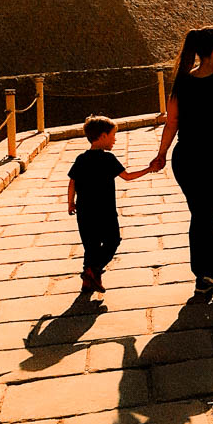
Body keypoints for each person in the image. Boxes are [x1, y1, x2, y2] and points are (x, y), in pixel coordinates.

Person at [150, 27, 213, 296]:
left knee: (202, 216)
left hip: (187, 160)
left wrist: (161, 154)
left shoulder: (182, 82)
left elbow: (171, 123)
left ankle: (203, 276)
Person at [68, 115, 156, 293]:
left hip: (84, 212)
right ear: (102, 136)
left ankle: (89, 281)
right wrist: (149, 169)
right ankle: (92, 271)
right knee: (113, 241)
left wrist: (70, 203)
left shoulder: (81, 159)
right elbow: (128, 176)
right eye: (113, 135)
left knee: (90, 247)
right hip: (106, 212)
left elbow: (72, 182)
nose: (115, 139)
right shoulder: (108, 159)